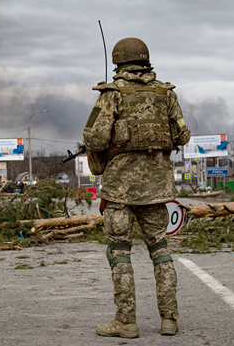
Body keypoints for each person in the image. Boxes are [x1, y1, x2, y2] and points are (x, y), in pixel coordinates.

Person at [83, 37, 191, 338]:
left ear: (118, 62)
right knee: (160, 250)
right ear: (146, 61)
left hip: (120, 188)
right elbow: (182, 135)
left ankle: (126, 322)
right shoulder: (166, 93)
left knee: (119, 251)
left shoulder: (112, 94)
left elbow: (94, 138)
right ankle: (169, 319)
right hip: (158, 186)